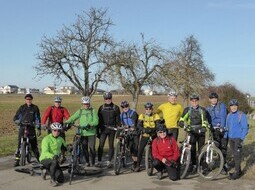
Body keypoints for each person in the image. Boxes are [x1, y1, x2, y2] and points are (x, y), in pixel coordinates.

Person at [178, 94, 210, 173]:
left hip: (200, 131)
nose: (194, 102)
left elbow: (205, 120)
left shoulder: (202, 110)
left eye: (196, 101)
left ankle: (201, 165)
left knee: (201, 149)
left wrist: (203, 127)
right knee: (192, 149)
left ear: (198, 101)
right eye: (193, 101)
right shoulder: (187, 110)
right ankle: (194, 165)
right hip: (191, 131)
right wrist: (181, 123)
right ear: (191, 101)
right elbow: (182, 118)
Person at [65, 96, 99, 167]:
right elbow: (73, 117)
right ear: (82, 104)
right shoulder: (80, 111)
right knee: (84, 147)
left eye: (87, 104)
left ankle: (93, 162)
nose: (85, 105)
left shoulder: (93, 111)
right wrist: (67, 122)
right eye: (84, 104)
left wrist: (90, 124)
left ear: (89, 104)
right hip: (82, 133)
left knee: (92, 147)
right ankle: (87, 162)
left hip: (91, 133)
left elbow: (96, 121)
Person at [13, 93, 41, 167]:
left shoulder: (35, 108)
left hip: (31, 128)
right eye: (27, 99)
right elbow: (16, 117)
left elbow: (38, 118)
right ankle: (17, 159)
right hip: (22, 127)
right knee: (19, 143)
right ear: (25, 100)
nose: (28, 100)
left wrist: (38, 128)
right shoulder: (22, 107)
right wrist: (17, 121)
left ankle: (39, 159)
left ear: (32, 100)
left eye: (30, 99)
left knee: (34, 145)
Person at [225, 99, 248, 180]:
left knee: (237, 156)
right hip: (231, 138)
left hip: (238, 138)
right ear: (230, 107)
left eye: (235, 106)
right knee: (235, 155)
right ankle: (239, 171)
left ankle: (237, 173)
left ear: (237, 106)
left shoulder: (242, 115)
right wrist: (225, 136)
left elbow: (245, 128)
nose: (233, 107)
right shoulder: (229, 115)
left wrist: (241, 139)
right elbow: (227, 127)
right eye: (232, 106)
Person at [96, 92, 121, 168]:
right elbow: (98, 120)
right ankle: (99, 161)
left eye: (109, 98)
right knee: (101, 145)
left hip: (112, 129)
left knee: (111, 146)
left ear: (111, 98)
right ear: (104, 99)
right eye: (106, 98)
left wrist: (118, 130)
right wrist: (98, 131)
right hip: (103, 129)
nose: (108, 100)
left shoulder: (116, 108)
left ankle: (109, 162)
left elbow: (118, 120)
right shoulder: (101, 108)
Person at [206, 92, 228, 174]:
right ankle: (210, 163)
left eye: (215, 98)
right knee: (214, 147)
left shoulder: (221, 106)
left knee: (223, 147)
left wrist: (222, 127)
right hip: (213, 129)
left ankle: (223, 165)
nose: (214, 99)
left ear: (217, 99)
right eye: (212, 98)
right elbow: (206, 118)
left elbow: (223, 116)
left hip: (222, 129)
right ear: (209, 99)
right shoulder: (208, 108)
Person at [135, 102, 161, 172]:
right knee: (140, 150)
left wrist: (155, 129)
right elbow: (139, 125)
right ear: (145, 109)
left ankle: (158, 165)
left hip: (153, 134)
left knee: (156, 150)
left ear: (152, 109)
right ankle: (138, 165)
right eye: (147, 109)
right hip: (145, 134)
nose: (148, 110)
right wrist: (143, 129)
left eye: (150, 109)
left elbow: (158, 125)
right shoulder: (142, 115)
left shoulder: (156, 115)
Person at [40, 122, 67, 187]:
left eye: (58, 130)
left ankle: (46, 170)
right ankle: (52, 180)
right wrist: (53, 156)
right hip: (45, 158)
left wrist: (64, 154)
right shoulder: (46, 139)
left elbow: (64, 148)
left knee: (61, 179)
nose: (56, 132)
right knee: (54, 162)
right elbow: (45, 152)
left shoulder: (61, 139)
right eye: (54, 130)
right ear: (51, 130)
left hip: (55, 159)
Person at [119, 100, 139, 170]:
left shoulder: (133, 113)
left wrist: (132, 127)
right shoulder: (121, 115)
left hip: (134, 132)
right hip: (127, 131)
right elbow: (121, 124)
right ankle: (122, 155)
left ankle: (136, 164)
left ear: (128, 106)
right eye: (123, 107)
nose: (125, 108)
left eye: (126, 106)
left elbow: (135, 123)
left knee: (134, 148)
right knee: (127, 146)